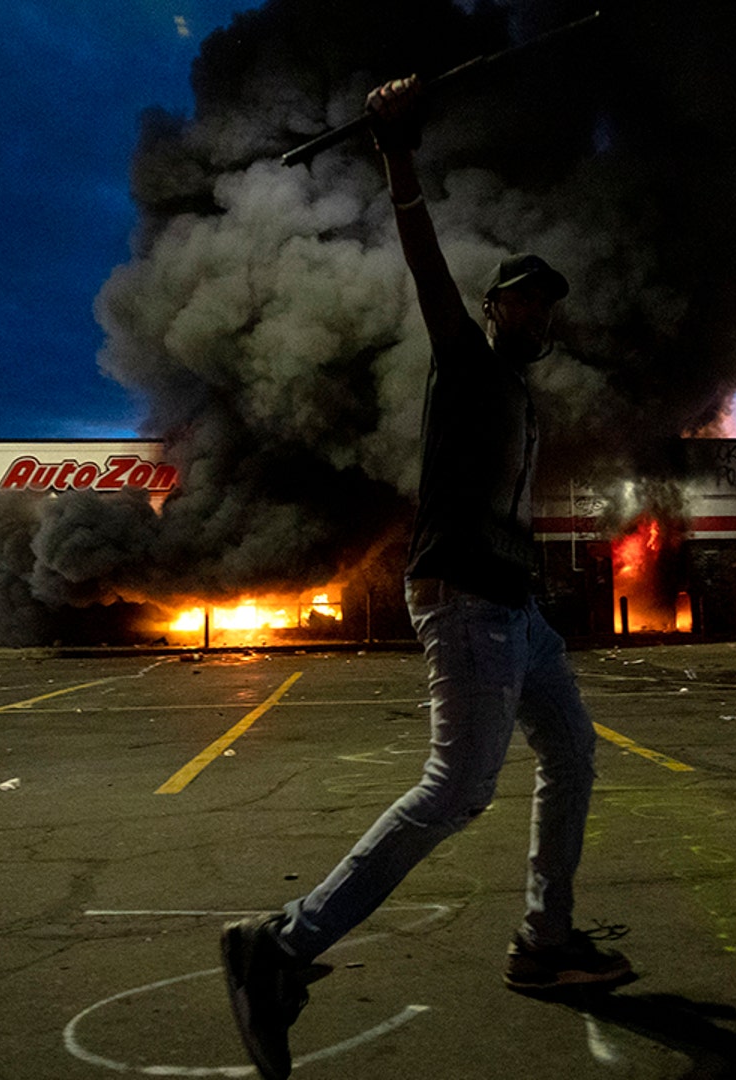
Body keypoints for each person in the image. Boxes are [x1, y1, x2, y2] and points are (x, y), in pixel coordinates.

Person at [219, 74, 630, 1080]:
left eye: (545, 303)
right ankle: (280, 947)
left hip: (515, 611)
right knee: (457, 789)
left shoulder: (526, 399)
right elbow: (423, 260)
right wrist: (397, 151)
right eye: (521, 297)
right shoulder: (465, 358)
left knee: (572, 754)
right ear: (495, 309)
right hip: (464, 600)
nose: (534, 312)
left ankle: (544, 942)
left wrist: (540, 590)